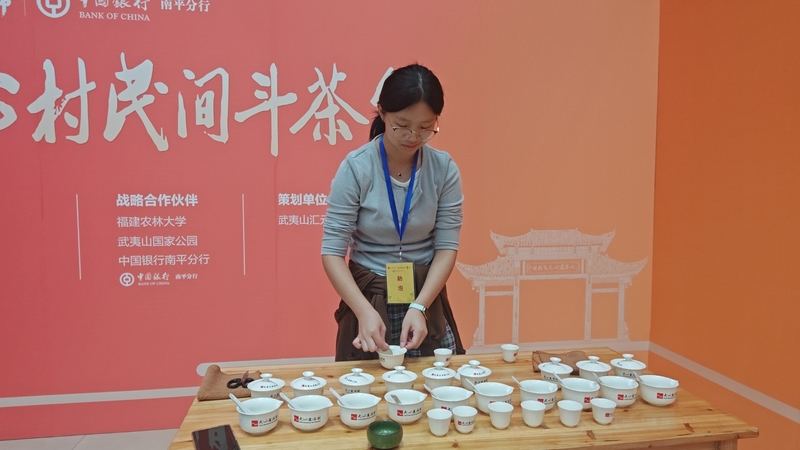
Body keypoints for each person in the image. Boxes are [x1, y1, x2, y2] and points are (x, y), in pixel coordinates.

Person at [321, 63, 466, 361]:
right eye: (402, 124)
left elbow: (447, 247)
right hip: (369, 297)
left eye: (425, 127)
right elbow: (332, 253)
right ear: (382, 112)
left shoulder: (443, 169)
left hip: (425, 297)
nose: (413, 136)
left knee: (438, 381)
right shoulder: (357, 168)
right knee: (365, 385)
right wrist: (363, 311)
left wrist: (420, 306)